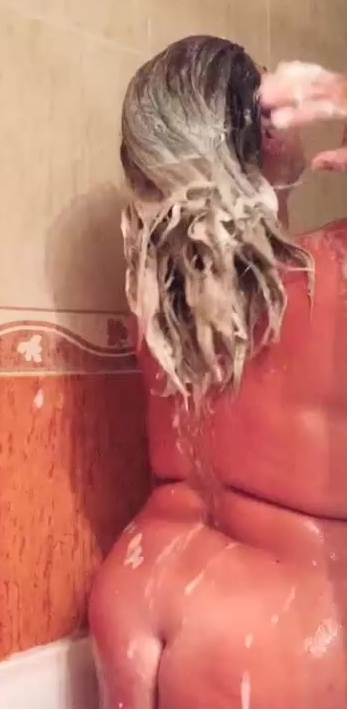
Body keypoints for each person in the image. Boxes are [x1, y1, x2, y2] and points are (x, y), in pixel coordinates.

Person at [89, 36, 347, 709]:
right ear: (268, 133)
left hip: (132, 582)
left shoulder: (161, 298)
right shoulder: (335, 272)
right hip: (276, 623)